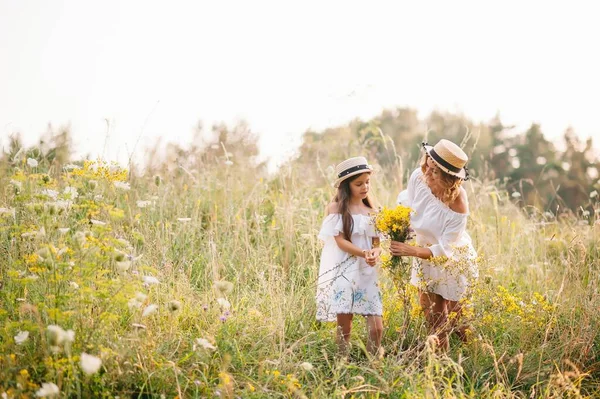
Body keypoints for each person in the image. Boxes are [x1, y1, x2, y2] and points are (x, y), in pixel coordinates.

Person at [391, 139, 478, 351]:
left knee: (459, 320)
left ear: (449, 179)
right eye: (427, 168)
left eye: (435, 173)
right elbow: (412, 208)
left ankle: (476, 358)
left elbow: (445, 250)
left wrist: (411, 251)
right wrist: (398, 230)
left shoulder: (458, 205)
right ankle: (441, 368)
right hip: (423, 252)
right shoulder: (418, 177)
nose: (427, 176)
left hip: (452, 259)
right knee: (434, 316)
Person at [316, 156, 383, 357]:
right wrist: (363, 253)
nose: (365, 187)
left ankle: (374, 364)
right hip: (345, 271)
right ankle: (341, 366)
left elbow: (377, 243)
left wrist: (374, 253)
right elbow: (341, 241)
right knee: (344, 327)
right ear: (346, 186)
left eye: (367, 182)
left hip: (368, 272)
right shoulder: (336, 209)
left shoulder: (372, 211)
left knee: (376, 328)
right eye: (359, 184)